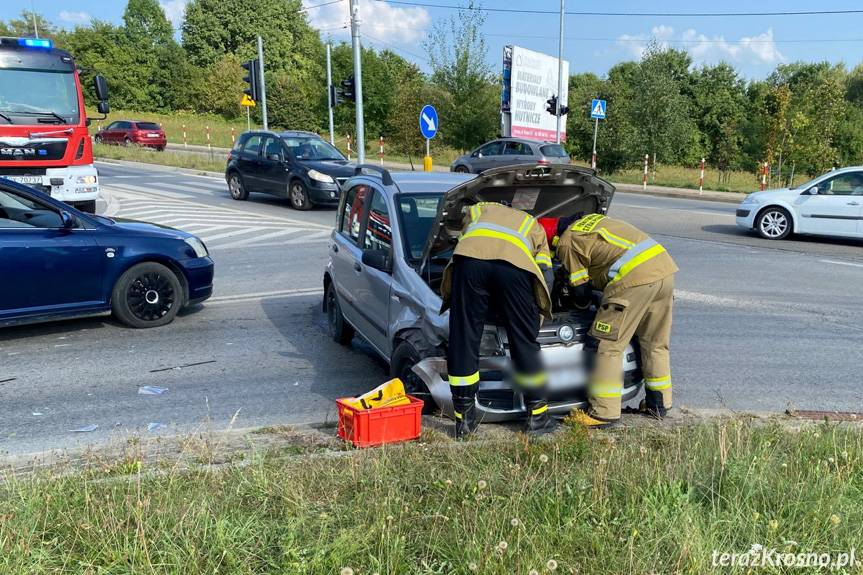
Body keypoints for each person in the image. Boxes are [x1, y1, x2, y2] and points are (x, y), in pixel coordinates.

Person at [440, 200, 556, 438]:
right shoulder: (531, 223)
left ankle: (464, 422)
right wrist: (534, 312)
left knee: (464, 336)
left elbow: (460, 237)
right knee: (523, 340)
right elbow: (546, 272)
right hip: (514, 269)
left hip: (469, 263)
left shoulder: (478, 210)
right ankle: (537, 418)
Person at [555, 214, 678, 427]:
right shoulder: (594, 221)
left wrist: (581, 304)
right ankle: (658, 404)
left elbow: (581, 291)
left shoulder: (567, 241)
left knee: (606, 344)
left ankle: (603, 413)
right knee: (655, 343)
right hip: (664, 271)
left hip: (634, 279)